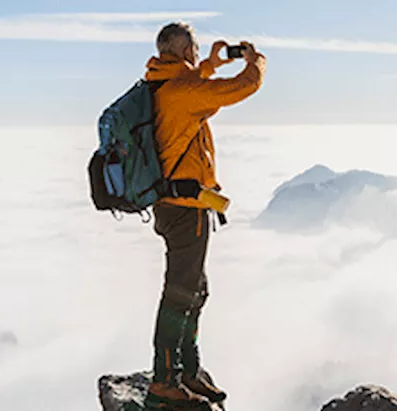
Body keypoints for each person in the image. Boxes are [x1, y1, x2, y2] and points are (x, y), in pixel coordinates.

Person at [142, 22, 264, 409]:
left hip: (173, 205)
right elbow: (241, 87)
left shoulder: (161, 83)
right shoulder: (181, 92)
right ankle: (164, 380)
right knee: (180, 293)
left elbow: (191, 83)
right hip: (186, 210)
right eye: (194, 52)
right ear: (185, 52)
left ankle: (188, 371)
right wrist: (254, 61)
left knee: (196, 290)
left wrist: (210, 64)